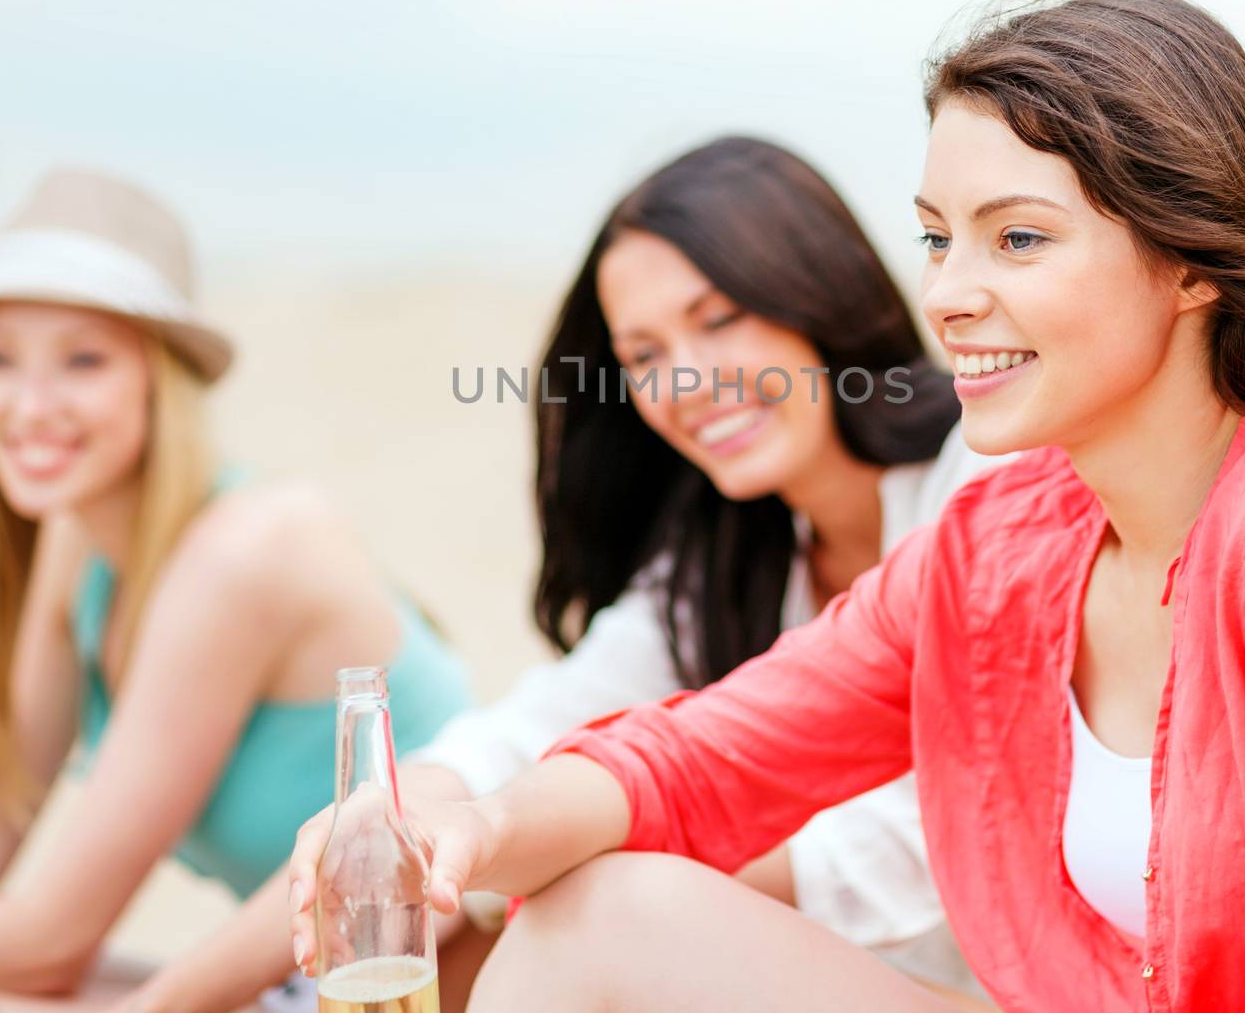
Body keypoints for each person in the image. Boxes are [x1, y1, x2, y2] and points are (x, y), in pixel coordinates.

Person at [289, 0, 1245, 1012]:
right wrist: (471, 833)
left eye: (1016, 238)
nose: (951, 293)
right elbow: (698, 762)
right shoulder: (1003, 542)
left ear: (1188, 264)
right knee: (594, 910)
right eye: (935, 239)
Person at [156, 136, 1003, 1013]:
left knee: (561, 896)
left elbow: (927, 839)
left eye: (716, 321)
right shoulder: (727, 555)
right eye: (643, 355)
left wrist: (572, 845)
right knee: (468, 882)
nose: (688, 381)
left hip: (998, 986)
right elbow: (534, 729)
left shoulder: (987, 486)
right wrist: (410, 816)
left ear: (817, 296)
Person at [0, 169, 472, 1012]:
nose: (29, 404)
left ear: (161, 378)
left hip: (415, 984)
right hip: (289, 978)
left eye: (83, 359)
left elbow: (50, 941)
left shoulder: (242, 554)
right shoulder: (77, 530)